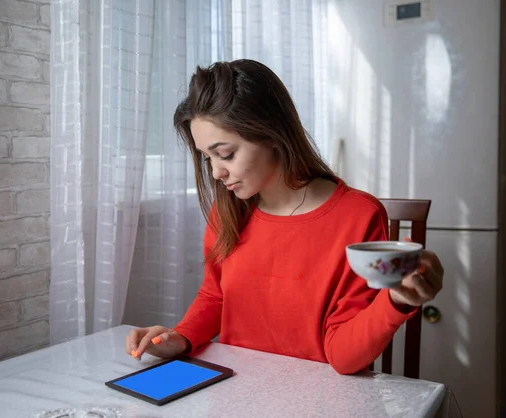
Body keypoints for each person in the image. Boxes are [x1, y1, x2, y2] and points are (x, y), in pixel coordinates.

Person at [125, 59, 444, 374]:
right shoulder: (227, 212)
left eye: (225, 154)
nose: (217, 172)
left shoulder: (358, 216)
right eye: (206, 157)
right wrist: (179, 338)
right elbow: (216, 296)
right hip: (233, 392)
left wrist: (397, 301)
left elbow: (343, 357)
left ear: (271, 134)